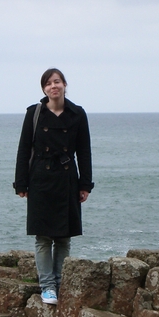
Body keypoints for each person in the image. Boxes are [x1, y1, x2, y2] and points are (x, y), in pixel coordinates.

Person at [14, 68, 94, 304]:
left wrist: (85, 184)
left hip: (67, 179)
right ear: (44, 89)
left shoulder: (77, 114)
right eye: (48, 83)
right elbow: (23, 149)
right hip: (40, 179)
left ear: (64, 85)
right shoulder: (34, 113)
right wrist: (21, 182)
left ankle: (60, 283)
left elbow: (85, 152)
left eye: (57, 82)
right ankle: (47, 286)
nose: (53, 86)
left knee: (63, 237)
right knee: (43, 237)